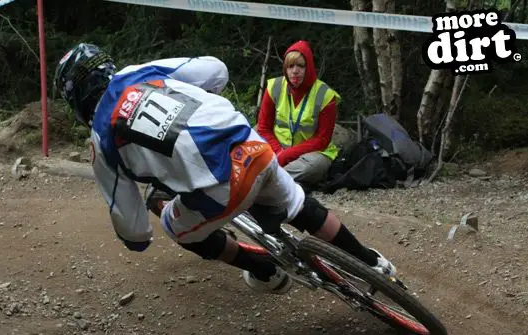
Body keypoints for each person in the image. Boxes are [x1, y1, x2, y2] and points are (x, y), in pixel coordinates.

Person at [54, 43, 395, 295]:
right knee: (299, 206)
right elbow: (216, 70)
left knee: (178, 229)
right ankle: (373, 262)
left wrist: (138, 238)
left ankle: (265, 272)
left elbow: (136, 233)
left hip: (219, 189)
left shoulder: (100, 140)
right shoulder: (138, 72)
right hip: (251, 147)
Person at [257, 40, 340, 190]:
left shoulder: (326, 95)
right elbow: (263, 128)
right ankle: (280, 180)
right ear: (285, 69)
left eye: (301, 66)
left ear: (308, 68)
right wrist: (279, 152)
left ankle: (267, 180)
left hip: (311, 154)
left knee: (313, 167)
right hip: (277, 149)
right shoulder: (274, 87)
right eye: (290, 66)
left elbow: (322, 140)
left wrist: (286, 155)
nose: (295, 71)